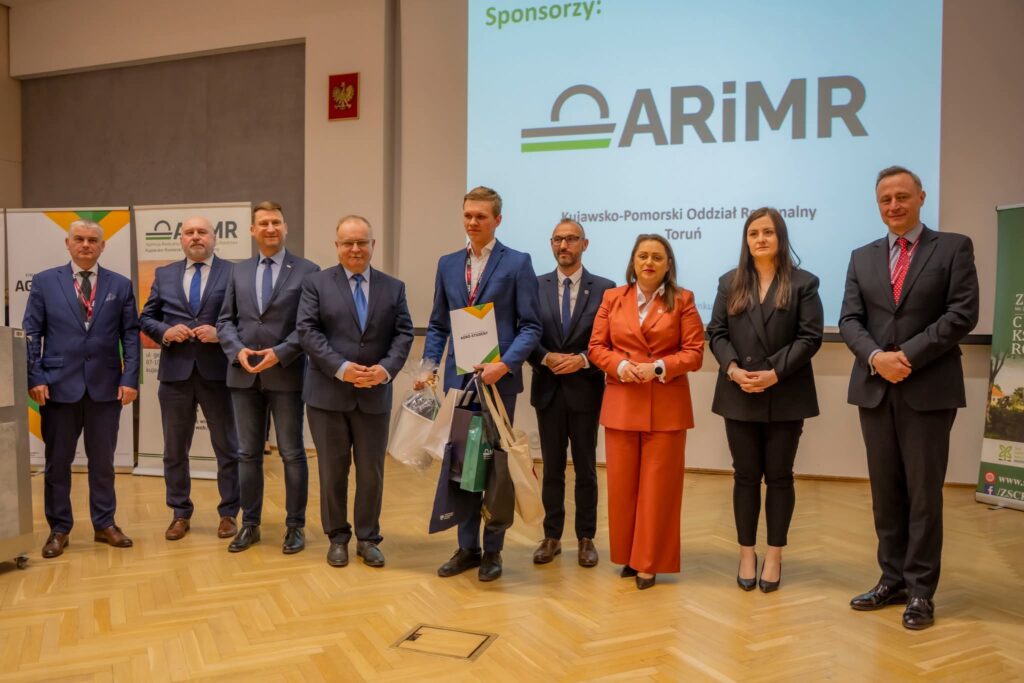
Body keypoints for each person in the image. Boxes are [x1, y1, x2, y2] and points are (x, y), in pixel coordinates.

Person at [839, 166, 979, 630]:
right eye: (885, 199)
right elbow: (850, 320)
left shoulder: (953, 247)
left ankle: (921, 590)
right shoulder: (861, 257)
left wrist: (907, 357)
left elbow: (962, 314)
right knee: (885, 493)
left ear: (921, 196)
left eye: (902, 196)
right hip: (875, 388)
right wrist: (877, 357)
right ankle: (891, 579)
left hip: (928, 389)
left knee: (923, 495)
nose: (894, 205)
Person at [420, 186, 542, 582]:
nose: (473, 222)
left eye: (481, 217)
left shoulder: (517, 263)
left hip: (497, 385)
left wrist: (504, 366)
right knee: (462, 468)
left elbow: (531, 326)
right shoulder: (448, 264)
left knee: (494, 469)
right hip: (460, 383)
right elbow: (438, 324)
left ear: (497, 220)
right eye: (468, 215)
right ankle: (467, 548)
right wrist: (428, 367)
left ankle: (493, 551)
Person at [707, 208, 823, 593]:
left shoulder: (804, 282)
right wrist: (733, 369)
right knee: (744, 476)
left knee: (779, 476)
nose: (760, 239)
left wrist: (774, 372)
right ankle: (746, 554)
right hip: (738, 392)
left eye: (768, 232)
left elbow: (810, 337)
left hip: (785, 392)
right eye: (753, 233)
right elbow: (717, 333)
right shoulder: (729, 282)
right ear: (746, 240)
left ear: (780, 237)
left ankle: (774, 555)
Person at [588, 234, 704, 589]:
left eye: (657, 257)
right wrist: (621, 366)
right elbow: (596, 347)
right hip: (622, 402)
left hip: (665, 407)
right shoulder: (612, 298)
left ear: (668, 264)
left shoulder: (683, 300)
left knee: (658, 490)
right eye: (643, 256)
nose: (649, 262)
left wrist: (657, 367)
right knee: (622, 489)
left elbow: (695, 353)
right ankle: (628, 555)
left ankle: (648, 562)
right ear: (633, 262)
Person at [296, 215, 413, 568]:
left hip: (374, 394)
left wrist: (385, 370)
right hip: (327, 396)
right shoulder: (315, 284)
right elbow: (308, 331)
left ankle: (368, 538)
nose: (355, 249)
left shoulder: (394, 287)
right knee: (332, 471)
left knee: (371, 472)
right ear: (337, 246)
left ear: (373, 245)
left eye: (362, 242)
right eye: (348, 243)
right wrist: (342, 368)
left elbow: (403, 334)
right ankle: (337, 537)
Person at [24, 220, 141, 558]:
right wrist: (36, 377)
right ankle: (59, 528)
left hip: (106, 388)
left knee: (102, 463)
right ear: (68, 243)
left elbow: (130, 336)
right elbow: (32, 333)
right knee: (57, 463)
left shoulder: (120, 284)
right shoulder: (45, 282)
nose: (86, 245)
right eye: (79, 239)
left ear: (103, 246)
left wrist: (130, 379)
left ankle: (104, 524)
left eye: (93, 240)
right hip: (58, 388)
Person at [217, 201, 320, 554]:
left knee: (292, 453)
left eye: (276, 222)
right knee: (247, 453)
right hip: (243, 375)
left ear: (286, 227)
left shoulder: (308, 271)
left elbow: (309, 325)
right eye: (263, 223)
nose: (270, 228)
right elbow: (224, 321)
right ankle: (250, 524)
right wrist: (237, 351)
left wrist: (280, 352)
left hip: (286, 375)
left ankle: (295, 526)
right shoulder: (238, 271)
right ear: (252, 230)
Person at [139, 216, 240, 541]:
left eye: (202, 232)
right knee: (174, 450)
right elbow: (146, 318)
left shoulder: (234, 272)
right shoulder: (164, 274)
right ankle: (180, 513)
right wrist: (165, 331)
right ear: (181, 239)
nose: (196, 237)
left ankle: (229, 513)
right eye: (189, 232)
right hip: (175, 375)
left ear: (214, 238)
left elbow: (245, 318)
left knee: (227, 447)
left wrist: (221, 333)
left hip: (219, 374)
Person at [527, 219, 615, 568]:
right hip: (547, 389)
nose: (563, 245)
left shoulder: (605, 288)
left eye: (571, 239)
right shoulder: (534, 286)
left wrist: (582, 360)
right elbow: (525, 334)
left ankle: (586, 538)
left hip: (586, 390)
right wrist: (545, 357)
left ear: (584, 244)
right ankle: (551, 537)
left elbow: (610, 340)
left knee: (586, 469)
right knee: (551, 468)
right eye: (557, 240)